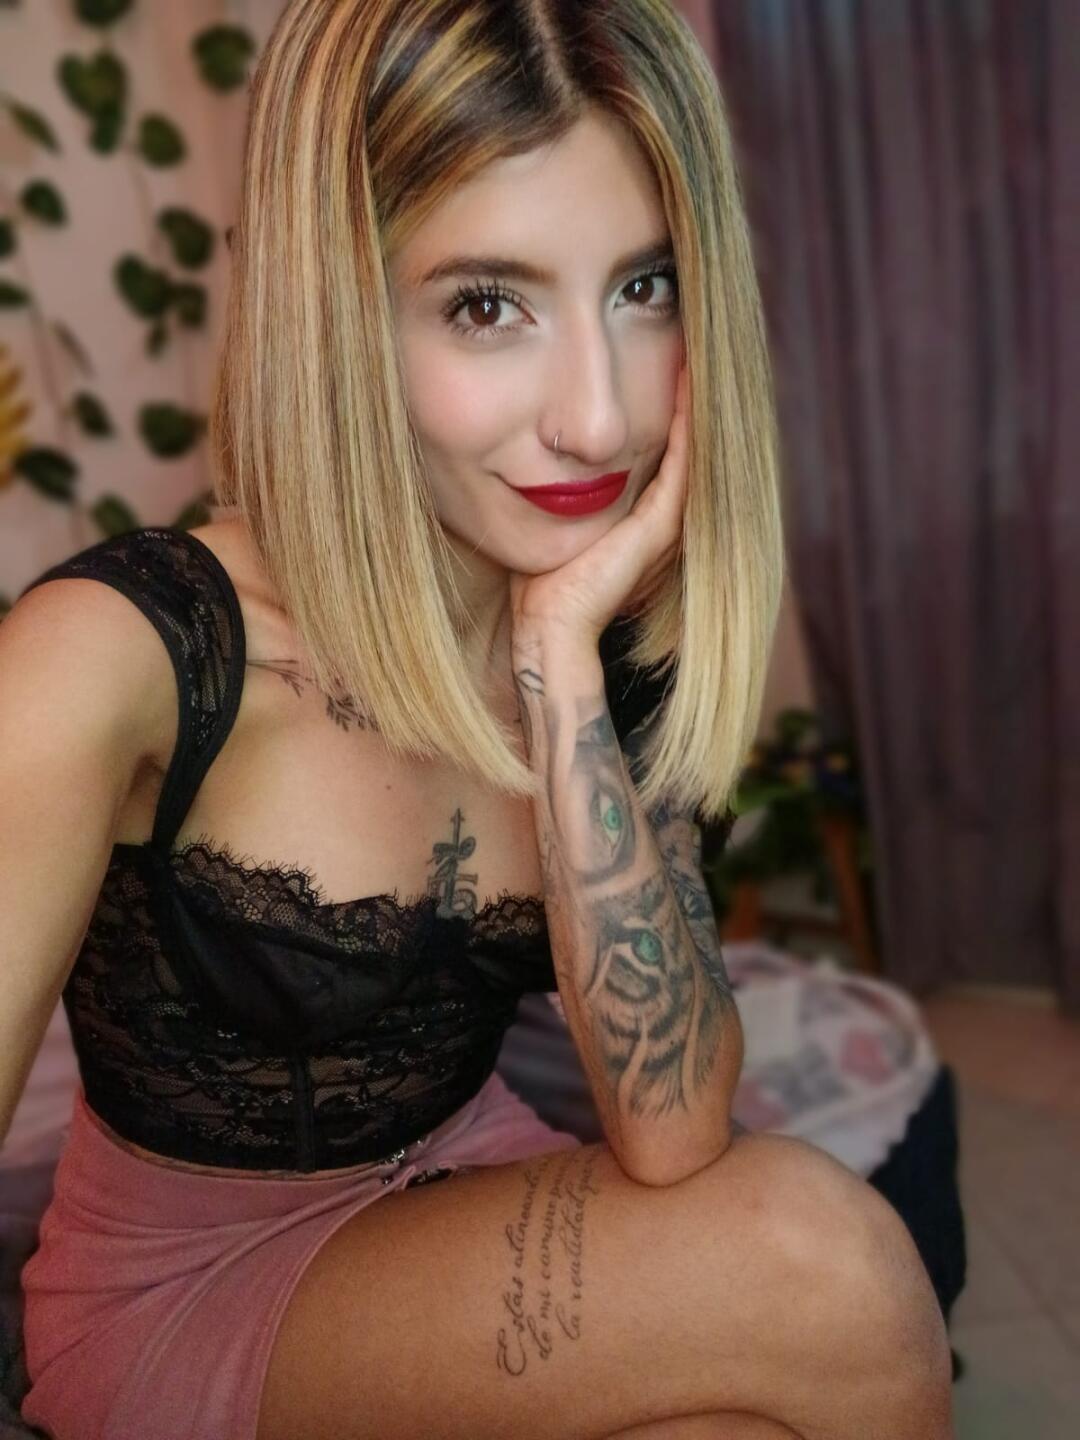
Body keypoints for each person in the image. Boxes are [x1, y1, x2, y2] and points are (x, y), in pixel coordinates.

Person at [0, 2, 954, 1438]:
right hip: (182, 1294)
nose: (599, 418)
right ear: (339, 313)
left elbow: (674, 1126)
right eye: (488, 306)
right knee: (832, 1269)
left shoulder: (597, 627)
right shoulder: (123, 654)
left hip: (461, 1201)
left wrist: (560, 657)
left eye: (644, 288)